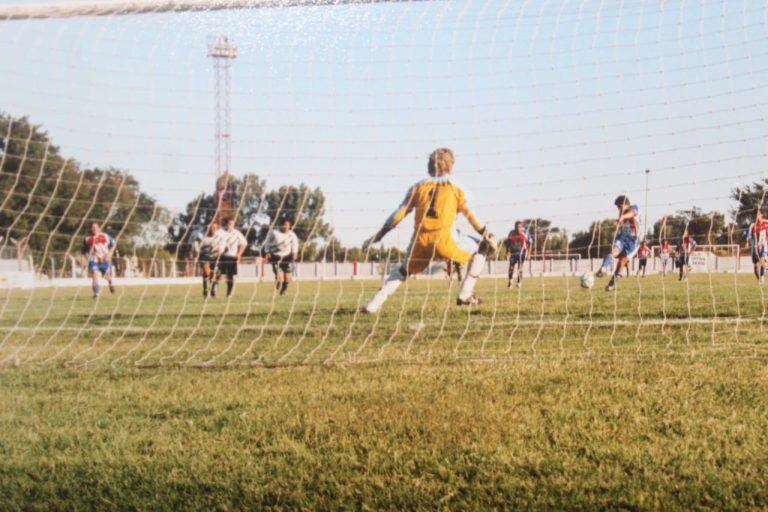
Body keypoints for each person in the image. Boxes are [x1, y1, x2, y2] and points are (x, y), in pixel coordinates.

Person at [362, 148, 497, 313]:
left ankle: (373, 305)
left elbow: (398, 215)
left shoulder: (417, 187)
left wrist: (379, 235)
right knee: (482, 247)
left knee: (403, 271)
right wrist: (487, 234)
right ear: (451, 166)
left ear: (429, 165)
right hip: (446, 241)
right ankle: (465, 294)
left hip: (420, 242)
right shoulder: (457, 187)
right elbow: (471, 215)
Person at [604, 195, 641, 291]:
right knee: (616, 255)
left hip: (634, 241)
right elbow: (623, 226)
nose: (618, 209)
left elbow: (632, 213)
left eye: (619, 207)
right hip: (624, 239)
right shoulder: (621, 213)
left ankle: (613, 282)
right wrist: (618, 222)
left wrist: (623, 217)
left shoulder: (633, 207)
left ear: (626, 205)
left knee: (623, 260)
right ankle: (611, 277)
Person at [262, 218, 300, 296]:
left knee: (287, 278)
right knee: (279, 277)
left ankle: (283, 290)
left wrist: (294, 253)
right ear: (280, 225)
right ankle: (277, 282)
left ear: (290, 226)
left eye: (287, 225)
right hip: (275, 256)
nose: (285, 226)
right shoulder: (274, 233)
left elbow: (295, 245)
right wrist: (267, 252)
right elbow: (267, 243)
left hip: (287, 256)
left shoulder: (292, 235)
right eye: (284, 225)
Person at [211, 217, 247, 298]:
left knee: (230, 276)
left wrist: (239, 254)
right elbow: (213, 240)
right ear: (226, 224)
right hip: (221, 256)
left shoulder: (237, 233)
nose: (231, 226)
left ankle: (229, 293)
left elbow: (244, 244)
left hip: (232, 257)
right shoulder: (220, 232)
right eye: (229, 224)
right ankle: (214, 289)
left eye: (232, 224)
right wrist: (216, 248)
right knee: (218, 273)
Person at [81, 222, 116, 298]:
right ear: (91, 229)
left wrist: (109, 254)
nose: (94, 229)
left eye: (96, 227)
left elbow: (114, 244)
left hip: (104, 259)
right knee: (94, 274)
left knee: (105, 275)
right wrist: (84, 261)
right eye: (93, 228)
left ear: (99, 229)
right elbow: (83, 251)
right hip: (94, 259)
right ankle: (96, 294)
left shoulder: (105, 236)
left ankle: (110, 282)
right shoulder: (87, 239)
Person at [197, 221, 222, 297]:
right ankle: (205, 289)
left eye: (215, 228)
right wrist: (198, 250)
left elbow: (222, 246)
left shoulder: (219, 237)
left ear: (217, 229)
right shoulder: (202, 236)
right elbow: (196, 246)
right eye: (211, 227)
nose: (213, 229)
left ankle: (213, 290)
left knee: (216, 274)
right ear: (208, 228)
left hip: (215, 257)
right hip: (204, 256)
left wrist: (219, 249)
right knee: (207, 273)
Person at [504, 221, 531, 288]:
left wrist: (529, 254)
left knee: (520, 268)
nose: (518, 228)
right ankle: (510, 281)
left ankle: (519, 282)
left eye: (519, 227)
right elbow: (508, 243)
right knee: (511, 267)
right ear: (514, 227)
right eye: (516, 227)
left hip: (522, 252)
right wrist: (507, 251)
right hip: (513, 252)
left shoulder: (525, 233)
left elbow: (530, 243)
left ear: (521, 227)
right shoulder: (511, 233)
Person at [745, 210, 768, 284]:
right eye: (756, 215)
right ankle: (760, 279)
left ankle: (762, 276)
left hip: (765, 245)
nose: (757, 217)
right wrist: (747, 242)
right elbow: (748, 235)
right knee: (755, 267)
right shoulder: (753, 225)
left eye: (759, 215)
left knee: (762, 259)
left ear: (761, 215)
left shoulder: (766, 222)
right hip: (755, 247)